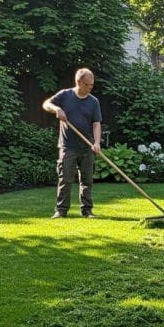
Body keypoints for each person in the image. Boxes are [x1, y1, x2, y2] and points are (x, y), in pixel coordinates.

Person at [42, 67, 103, 218]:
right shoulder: (65, 95)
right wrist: (56, 109)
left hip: (87, 146)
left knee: (87, 180)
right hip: (67, 146)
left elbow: (96, 123)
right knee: (65, 179)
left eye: (92, 85)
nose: (90, 88)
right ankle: (61, 211)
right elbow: (46, 104)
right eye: (87, 85)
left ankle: (87, 210)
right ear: (79, 82)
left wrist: (96, 142)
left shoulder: (93, 102)